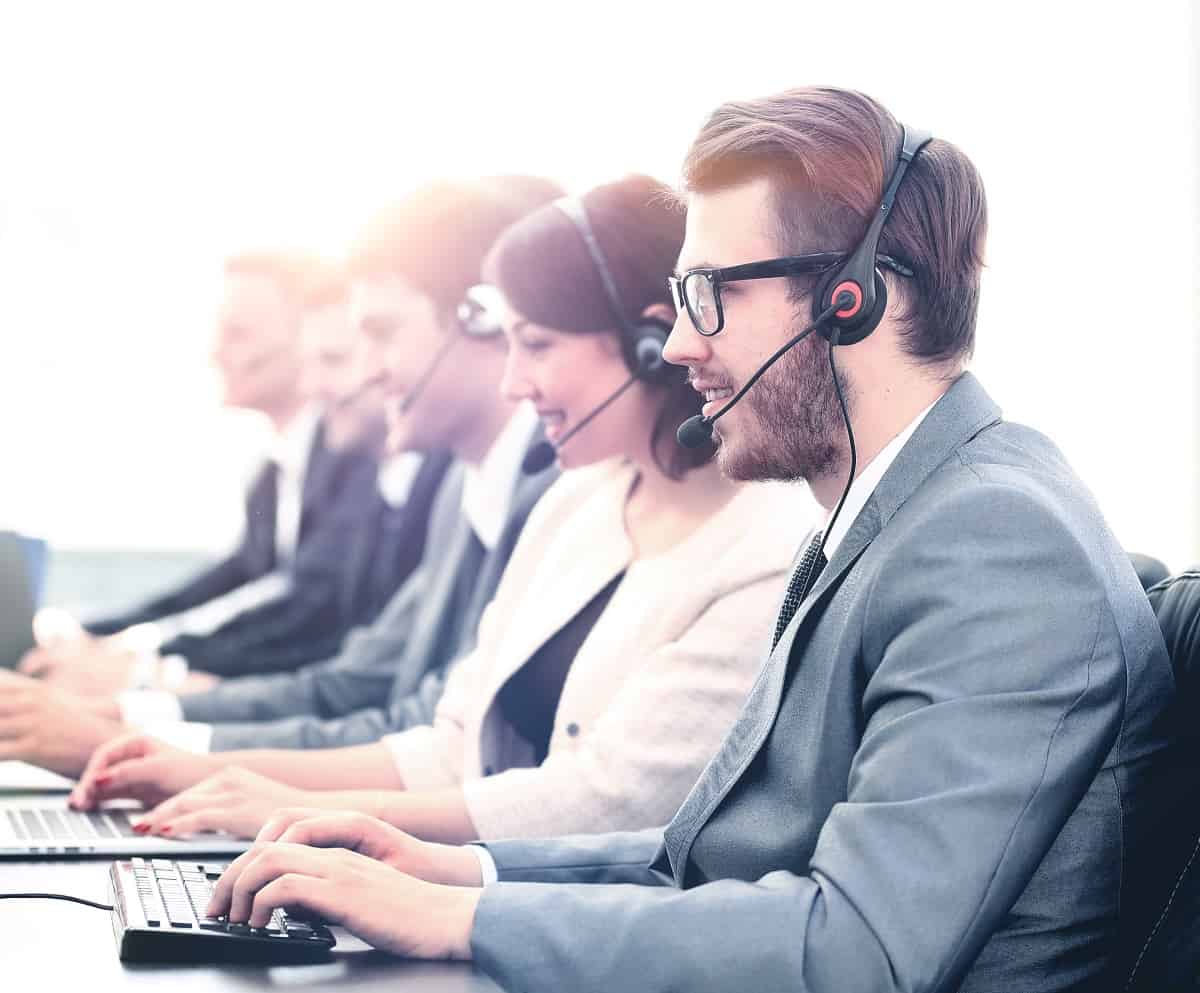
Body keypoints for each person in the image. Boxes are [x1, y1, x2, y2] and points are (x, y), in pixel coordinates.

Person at [191, 86, 1171, 993]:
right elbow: (700, 856)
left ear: (856, 300)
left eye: (713, 295)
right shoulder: (895, 515)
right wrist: (451, 869)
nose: (679, 345)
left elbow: (855, 948)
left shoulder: (995, 543)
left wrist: (462, 921)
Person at [72, 175, 803, 847]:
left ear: (650, 346)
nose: (514, 383)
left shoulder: (767, 545)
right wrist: (217, 774)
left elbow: (601, 802)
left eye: (537, 346)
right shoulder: (578, 502)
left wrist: (307, 814)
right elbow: (450, 745)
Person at [0, 177, 561, 775]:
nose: (357, 378)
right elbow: (349, 685)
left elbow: (418, 729)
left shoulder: (535, 490)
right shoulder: (464, 491)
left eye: (381, 336)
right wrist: (130, 714)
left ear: (485, 320)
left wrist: (132, 738)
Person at [19, 252, 388, 692]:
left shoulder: (360, 453)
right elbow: (226, 584)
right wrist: (98, 634)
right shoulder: (274, 474)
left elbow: (302, 605)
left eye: (238, 334)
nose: (216, 352)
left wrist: (138, 658)